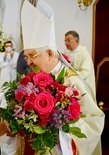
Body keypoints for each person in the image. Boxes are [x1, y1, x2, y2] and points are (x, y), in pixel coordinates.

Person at [21, 0, 104, 155]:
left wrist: (61, 123)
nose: (29, 62)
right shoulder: (35, 82)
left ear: (50, 54)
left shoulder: (73, 83)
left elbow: (95, 122)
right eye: (27, 57)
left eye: (32, 55)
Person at [64, 30, 96, 99]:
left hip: (82, 86)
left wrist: (72, 78)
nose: (66, 43)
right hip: (71, 84)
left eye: (69, 40)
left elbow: (85, 73)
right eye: (65, 41)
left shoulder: (84, 54)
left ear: (77, 41)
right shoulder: (67, 53)